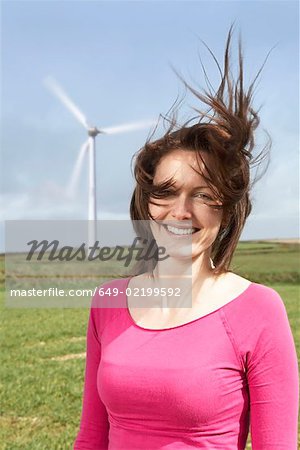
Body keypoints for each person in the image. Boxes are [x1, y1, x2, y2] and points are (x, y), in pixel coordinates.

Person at [73, 28, 299, 449]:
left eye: (203, 195)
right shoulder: (107, 301)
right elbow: (92, 434)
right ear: (146, 203)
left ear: (227, 208)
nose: (181, 211)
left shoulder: (259, 311)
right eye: (167, 192)